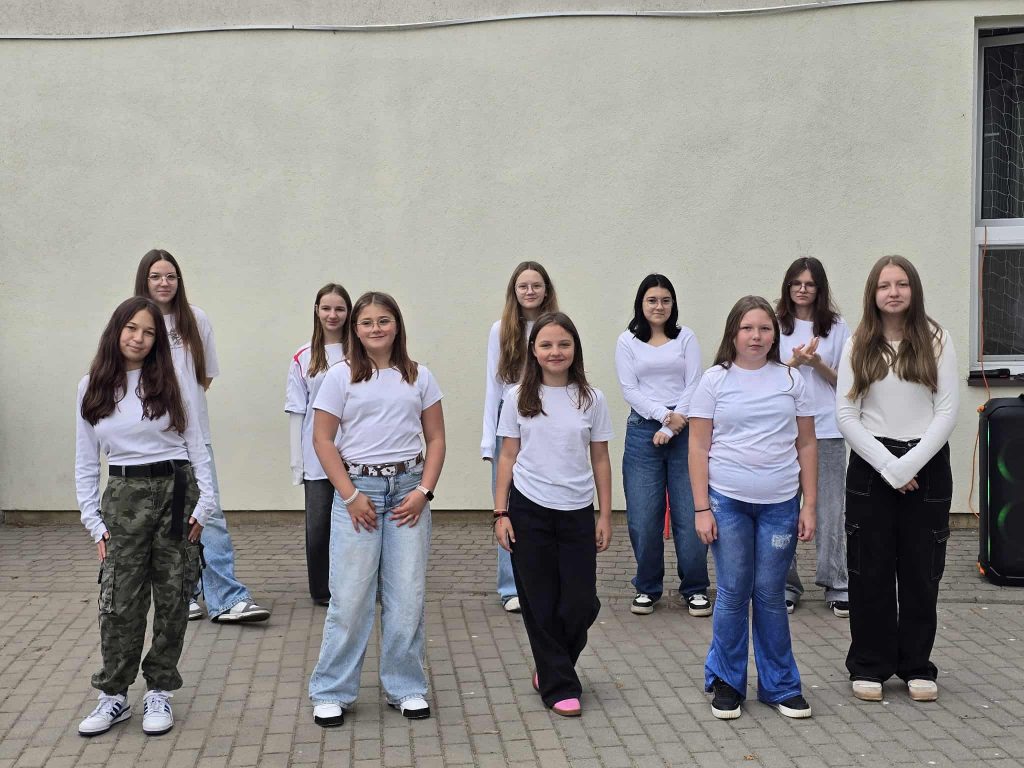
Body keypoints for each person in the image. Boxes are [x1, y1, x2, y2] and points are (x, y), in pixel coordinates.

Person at [75, 297, 214, 737]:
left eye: (149, 332)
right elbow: (85, 461)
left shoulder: (173, 381)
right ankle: (113, 694)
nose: (139, 338)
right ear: (116, 330)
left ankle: (160, 690)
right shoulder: (92, 387)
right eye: (132, 328)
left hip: (176, 492)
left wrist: (206, 503)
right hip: (123, 497)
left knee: (173, 598)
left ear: (157, 341)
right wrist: (93, 521)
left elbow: (197, 444)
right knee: (119, 602)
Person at [309, 291, 446, 727]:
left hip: (408, 494)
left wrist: (424, 491)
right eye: (366, 322)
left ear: (397, 325)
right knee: (350, 598)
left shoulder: (419, 376)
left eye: (384, 320)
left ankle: (405, 687)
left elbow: (436, 439)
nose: (375, 328)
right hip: (359, 493)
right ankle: (332, 690)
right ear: (355, 328)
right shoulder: (339, 376)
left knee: (406, 597)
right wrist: (350, 495)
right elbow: (322, 440)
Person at [689, 295, 817, 721]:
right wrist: (701, 508)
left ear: (774, 335)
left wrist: (810, 505)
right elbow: (698, 446)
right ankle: (726, 682)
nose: (756, 336)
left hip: (780, 504)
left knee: (769, 594)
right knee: (732, 591)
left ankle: (780, 685)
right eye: (747, 328)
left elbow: (807, 444)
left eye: (764, 328)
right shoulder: (713, 381)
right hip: (727, 502)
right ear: (733, 333)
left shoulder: (791, 380)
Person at [836, 255, 957, 703]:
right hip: (871, 467)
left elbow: (947, 411)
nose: (893, 292)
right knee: (869, 571)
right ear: (873, 292)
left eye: (901, 284)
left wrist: (909, 466)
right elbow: (846, 414)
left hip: (927, 465)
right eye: (885, 285)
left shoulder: (937, 339)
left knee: (922, 572)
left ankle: (916, 666)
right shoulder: (858, 343)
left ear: (913, 290)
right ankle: (869, 664)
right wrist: (889, 466)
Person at [135, 249, 270, 623]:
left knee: (208, 515)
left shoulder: (196, 320)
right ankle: (185, 593)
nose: (164, 283)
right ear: (144, 280)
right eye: (156, 276)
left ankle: (226, 598)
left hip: (193, 438)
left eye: (171, 276)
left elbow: (204, 377)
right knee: (170, 519)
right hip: (152, 442)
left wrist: (185, 410)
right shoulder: (135, 321)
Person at [494, 312, 613, 718]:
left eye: (563, 344)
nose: (555, 351)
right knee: (540, 602)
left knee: (581, 603)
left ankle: (550, 667)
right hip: (529, 510)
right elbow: (507, 455)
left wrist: (605, 515)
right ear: (533, 350)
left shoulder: (592, 398)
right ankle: (559, 684)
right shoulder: (517, 397)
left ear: (575, 348)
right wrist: (500, 512)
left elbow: (600, 458)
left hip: (577, 511)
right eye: (546, 345)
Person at [615, 274, 710, 617]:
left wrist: (674, 424)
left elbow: (694, 382)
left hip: (685, 431)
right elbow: (629, 389)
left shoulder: (686, 337)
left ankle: (695, 588)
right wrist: (664, 418)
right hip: (644, 431)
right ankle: (647, 587)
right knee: (643, 518)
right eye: (652, 300)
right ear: (641, 303)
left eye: (665, 300)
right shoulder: (627, 341)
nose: (659, 306)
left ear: (673, 304)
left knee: (690, 513)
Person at [481, 261, 559, 613]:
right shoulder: (501, 330)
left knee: (545, 501)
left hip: (546, 419)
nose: (530, 291)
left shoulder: (555, 325)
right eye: (523, 286)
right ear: (514, 291)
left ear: (546, 290)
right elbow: (493, 385)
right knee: (507, 504)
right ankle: (510, 586)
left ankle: (544, 583)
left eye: (536, 285)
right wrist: (488, 440)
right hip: (509, 419)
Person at [775, 258, 851, 617]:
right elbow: (765, 377)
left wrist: (816, 363)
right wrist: (795, 363)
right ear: (788, 287)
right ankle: (786, 584)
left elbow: (847, 382)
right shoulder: (775, 324)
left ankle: (837, 583)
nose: (802, 289)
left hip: (827, 429)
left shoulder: (837, 326)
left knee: (830, 509)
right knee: (784, 508)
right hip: (784, 431)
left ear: (819, 288)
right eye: (796, 283)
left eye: (809, 283)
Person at [285, 283, 352, 604]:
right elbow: (296, 411)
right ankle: (322, 591)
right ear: (317, 311)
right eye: (326, 308)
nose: (332, 315)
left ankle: (355, 587)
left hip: (355, 455)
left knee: (355, 525)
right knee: (319, 528)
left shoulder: (360, 353)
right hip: (316, 459)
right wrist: (297, 462)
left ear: (349, 312)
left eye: (339, 308)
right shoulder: (304, 356)